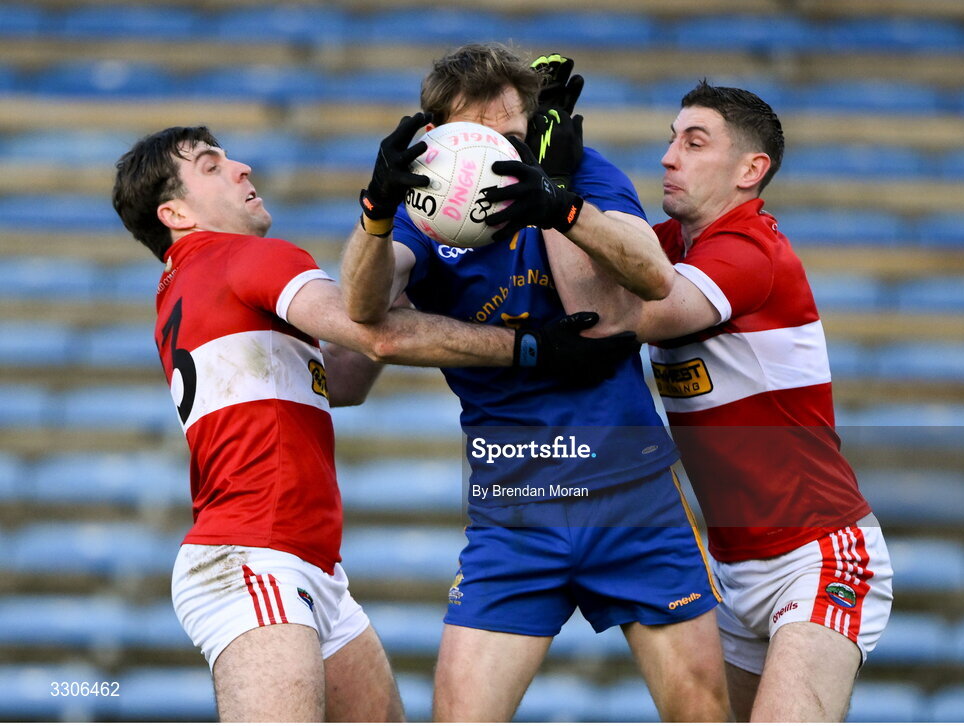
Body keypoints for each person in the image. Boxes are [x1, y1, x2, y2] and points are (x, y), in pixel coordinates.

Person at [110, 125, 637, 722]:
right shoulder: (247, 257)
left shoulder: (184, 285)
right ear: (174, 212)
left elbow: (342, 380)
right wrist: (528, 346)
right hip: (256, 555)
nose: (242, 167)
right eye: (212, 166)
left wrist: (407, 282)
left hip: (304, 563)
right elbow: (376, 332)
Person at [342, 42, 729, 722]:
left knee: (700, 710)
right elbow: (366, 311)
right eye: (478, 139)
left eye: (513, 139)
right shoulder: (421, 212)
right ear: (437, 137)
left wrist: (561, 204)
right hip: (514, 509)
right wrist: (375, 213)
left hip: (632, 498)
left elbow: (643, 285)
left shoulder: (576, 174)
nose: (498, 157)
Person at [538, 76, 895, 722]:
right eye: (671, 140)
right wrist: (545, 154)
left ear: (750, 170)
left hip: (816, 556)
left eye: (695, 143)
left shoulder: (751, 250)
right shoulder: (671, 247)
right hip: (732, 570)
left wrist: (562, 195)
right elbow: (582, 275)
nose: (670, 157)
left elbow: (607, 315)